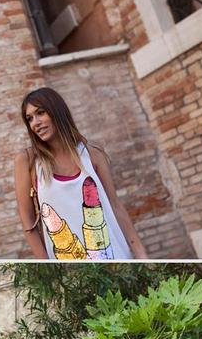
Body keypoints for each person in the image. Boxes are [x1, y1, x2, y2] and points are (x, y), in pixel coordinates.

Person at [14, 87, 148, 261]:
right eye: (29, 118)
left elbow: (115, 206)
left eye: (41, 112)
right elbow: (27, 219)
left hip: (115, 254)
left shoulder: (92, 153)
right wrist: (46, 264)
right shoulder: (28, 161)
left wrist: (140, 253)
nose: (35, 123)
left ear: (57, 111)